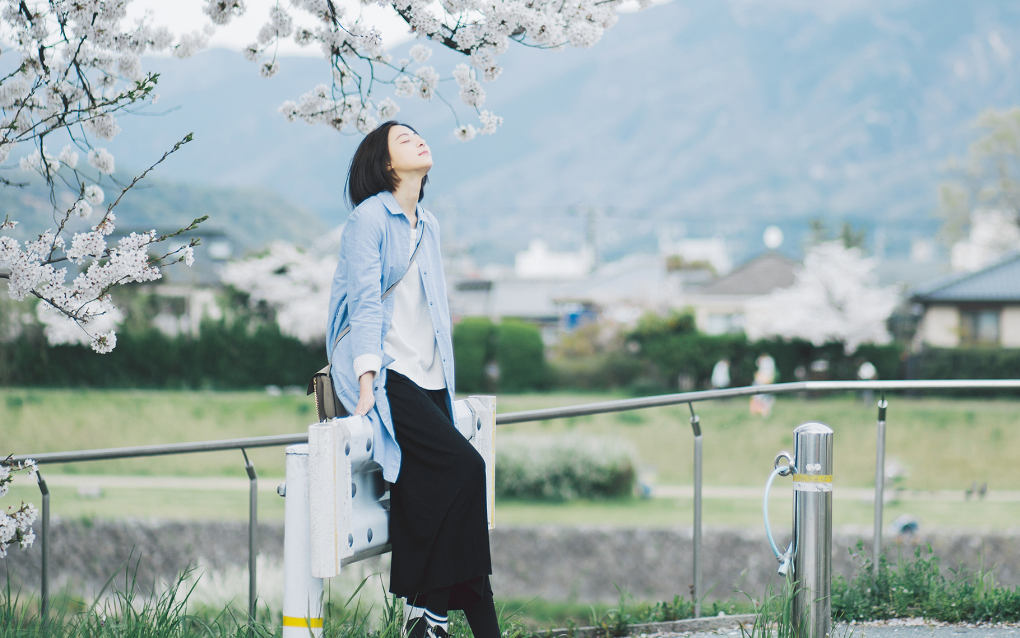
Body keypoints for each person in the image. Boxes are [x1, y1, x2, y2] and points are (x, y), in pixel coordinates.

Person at [326, 121, 498, 638]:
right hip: (383, 373)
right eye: (403, 140)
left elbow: (435, 311)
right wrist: (364, 384)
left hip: (427, 375)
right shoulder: (368, 219)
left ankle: (432, 621)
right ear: (385, 163)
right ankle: (433, 617)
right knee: (466, 470)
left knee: (444, 499)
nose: (419, 140)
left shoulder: (429, 223)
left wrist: (446, 380)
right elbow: (363, 302)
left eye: (418, 135)